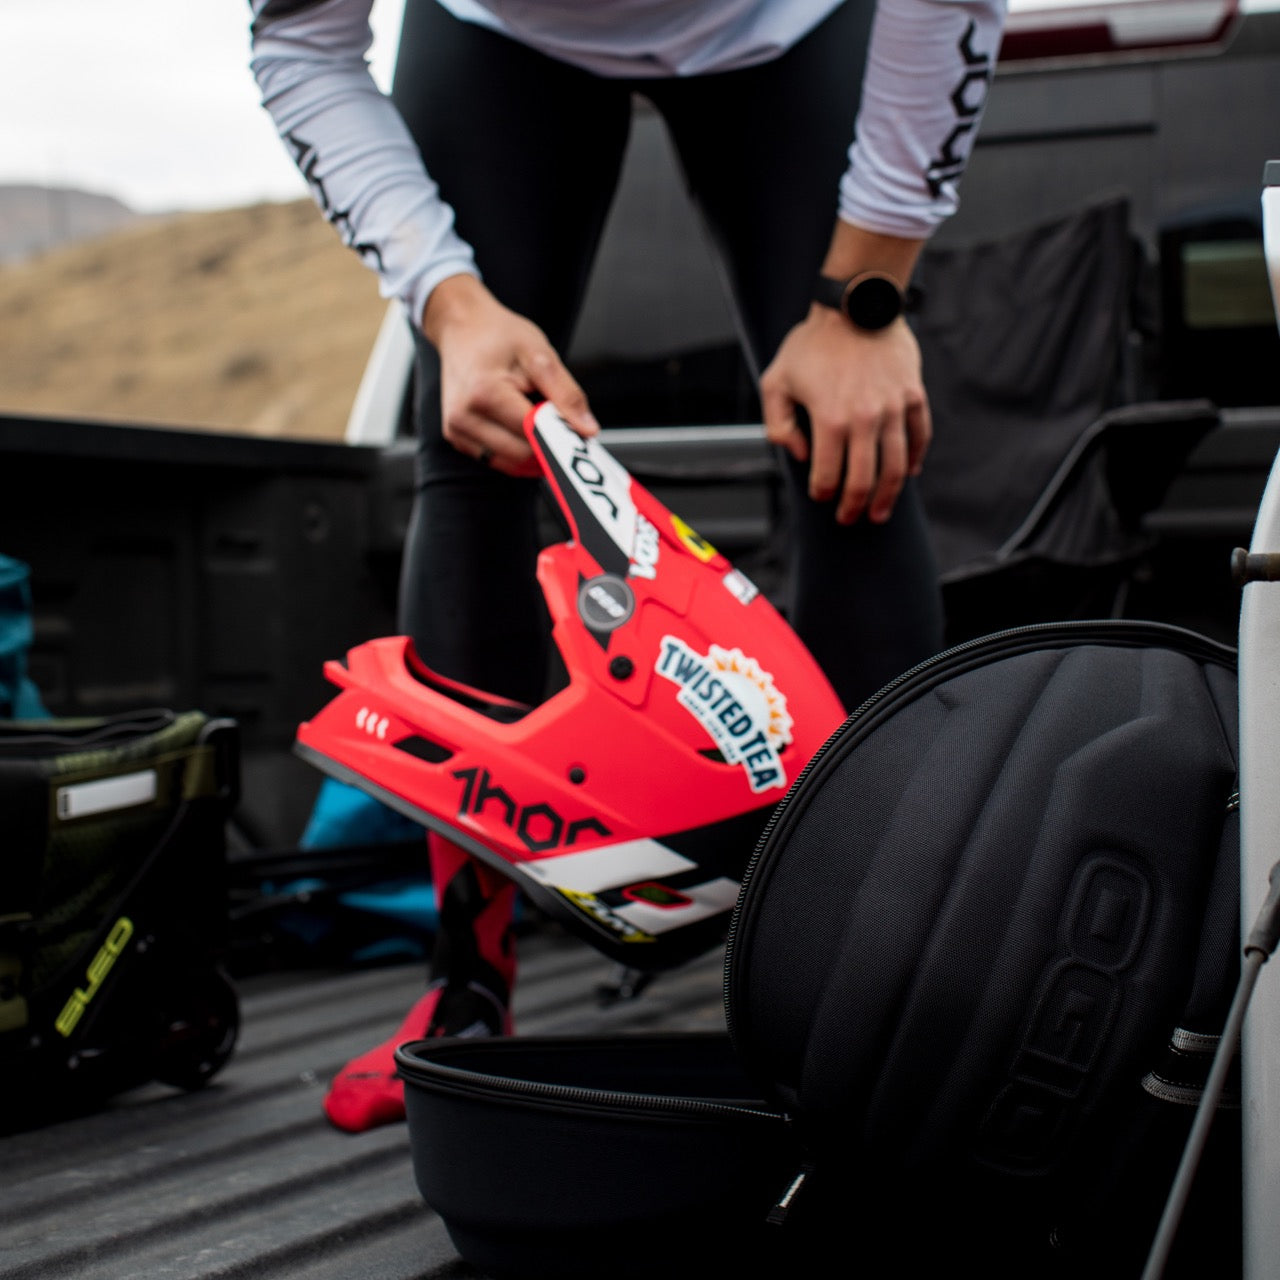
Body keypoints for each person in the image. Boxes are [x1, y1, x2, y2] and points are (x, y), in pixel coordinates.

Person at [249, 0, 1007, 1132]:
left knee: (852, 456)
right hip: (501, 43)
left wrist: (864, 300)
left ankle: (888, 980)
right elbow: (299, 43)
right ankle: (467, 983)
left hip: (781, 26)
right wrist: (449, 304)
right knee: (477, 444)